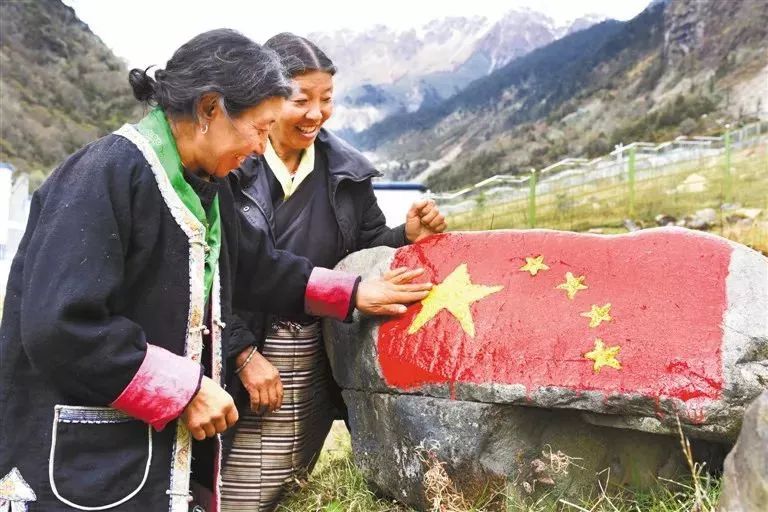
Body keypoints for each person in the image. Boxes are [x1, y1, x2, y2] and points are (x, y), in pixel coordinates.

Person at [0, 29, 431, 512]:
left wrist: (353, 294)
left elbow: (257, 268)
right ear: (210, 109)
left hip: (149, 451)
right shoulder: (104, 174)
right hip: (80, 457)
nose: (261, 148)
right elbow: (59, 327)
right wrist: (181, 390)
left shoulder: (209, 184)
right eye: (260, 128)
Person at [221, 32, 446, 511]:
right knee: (233, 483)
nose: (316, 114)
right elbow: (210, 274)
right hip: (246, 351)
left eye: (326, 99)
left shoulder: (346, 171)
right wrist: (240, 352)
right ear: (266, 97)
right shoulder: (230, 166)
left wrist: (405, 236)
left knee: (289, 480)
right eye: (301, 99)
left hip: (314, 354)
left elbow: (363, 252)